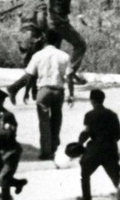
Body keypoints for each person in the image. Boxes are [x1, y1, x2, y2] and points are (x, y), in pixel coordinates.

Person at [6, 30, 75, 160]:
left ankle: (45, 152)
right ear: (57, 41)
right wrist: (71, 94)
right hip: (58, 91)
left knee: (44, 122)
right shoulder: (64, 56)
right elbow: (70, 77)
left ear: (45, 40)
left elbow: (30, 76)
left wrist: (26, 92)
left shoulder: (38, 55)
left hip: (43, 91)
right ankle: (54, 147)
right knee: (56, 120)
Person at [77, 89, 120, 200]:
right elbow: (119, 134)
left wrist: (79, 143)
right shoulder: (112, 114)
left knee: (85, 173)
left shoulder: (89, 115)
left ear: (91, 100)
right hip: (110, 148)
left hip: (95, 149)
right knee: (116, 176)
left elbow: (86, 132)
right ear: (103, 100)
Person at [47, 0, 88, 84]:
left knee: (54, 52)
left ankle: (57, 78)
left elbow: (66, 4)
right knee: (80, 44)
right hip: (57, 23)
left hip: (61, 22)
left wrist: (79, 15)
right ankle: (69, 73)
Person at [17, 0, 48, 102]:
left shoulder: (26, 4)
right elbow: (41, 21)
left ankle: (32, 92)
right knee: (36, 66)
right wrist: (45, 31)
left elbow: (20, 16)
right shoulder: (41, 4)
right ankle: (17, 88)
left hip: (22, 36)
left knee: (29, 66)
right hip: (33, 36)